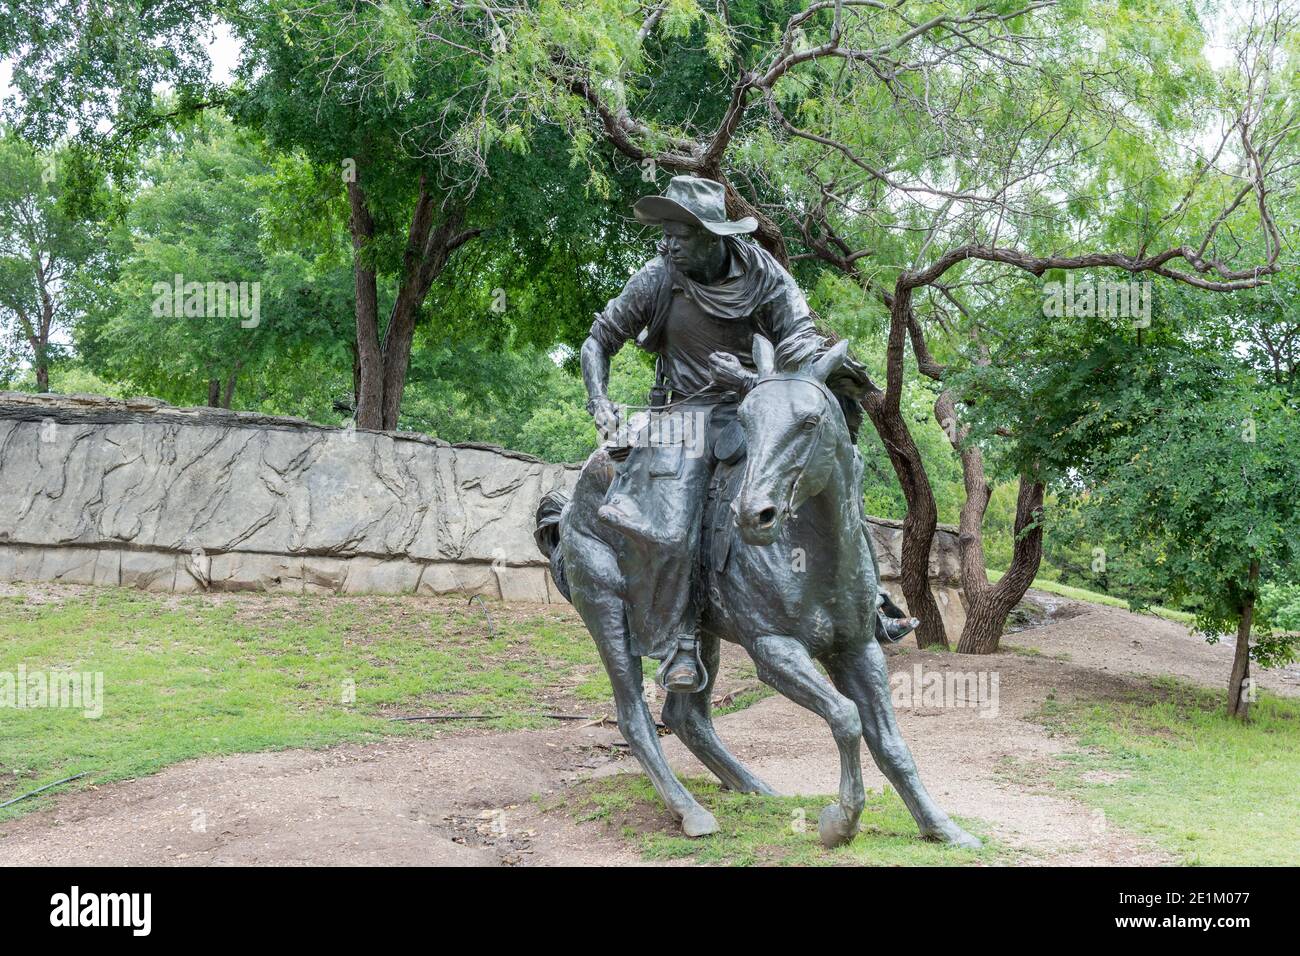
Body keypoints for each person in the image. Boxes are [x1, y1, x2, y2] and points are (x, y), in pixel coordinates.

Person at [581, 175, 912, 691]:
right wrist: (599, 402)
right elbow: (597, 341)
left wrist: (762, 380)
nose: (668, 245)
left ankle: (866, 598)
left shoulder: (767, 276)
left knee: (833, 470)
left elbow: (800, 345)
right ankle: (681, 640)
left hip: (757, 410)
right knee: (674, 520)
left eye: (679, 235)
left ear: (714, 234)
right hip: (683, 421)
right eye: (664, 234)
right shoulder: (656, 278)